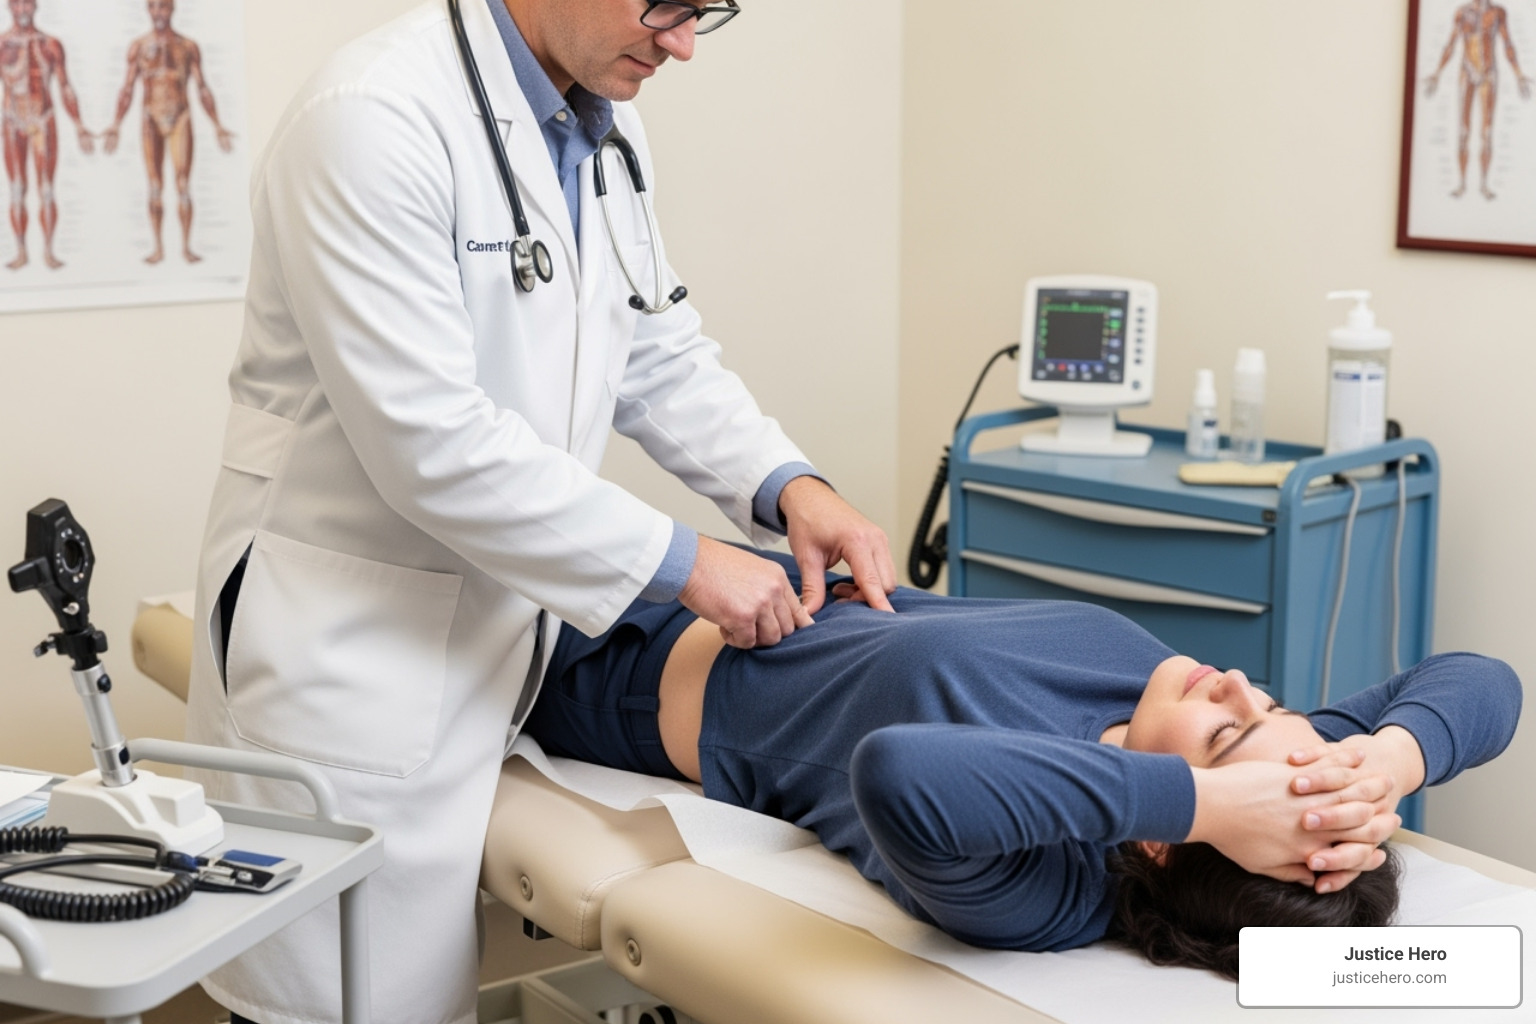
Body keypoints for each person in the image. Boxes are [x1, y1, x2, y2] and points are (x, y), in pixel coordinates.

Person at [182, 3, 895, 1024]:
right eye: (668, 6)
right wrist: (690, 564)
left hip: (497, 637)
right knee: (344, 1005)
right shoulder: (369, 118)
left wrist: (791, 485)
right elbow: (430, 443)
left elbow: (656, 350)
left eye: (707, 11)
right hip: (347, 661)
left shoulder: (601, 122)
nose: (684, 44)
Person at [525, 549, 1522, 979]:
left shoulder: (1048, 885)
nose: (1233, 684)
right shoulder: (1170, 710)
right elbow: (1489, 682)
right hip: (729, 578)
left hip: (605, 666)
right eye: (1271, 704)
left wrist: (1204, 801)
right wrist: (1387, 761)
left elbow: (900, 778)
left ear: (1165, 836)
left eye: (1227, 735)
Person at [101, 0, 235, 264]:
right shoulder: (139, 46)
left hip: (180, 117)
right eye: (153, 6)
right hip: (150, 117)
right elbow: (127, 88)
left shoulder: (187, 46)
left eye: (163, 6)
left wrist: (217, 124)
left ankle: (185, 247)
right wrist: (116, 123)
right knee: (155, 186)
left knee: (183, 185)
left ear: (172, 9)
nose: (158, 12)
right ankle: (158, 248)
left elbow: (202, 87)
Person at [1, 0, 93, 270]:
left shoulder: (50, 44)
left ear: (35, 6)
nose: (23, 10)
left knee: (47, 190)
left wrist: (79, 125)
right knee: (17, 189)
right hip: (13, 120)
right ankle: (21, 251)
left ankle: (49, 252)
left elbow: (65, 86)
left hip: (43, 119)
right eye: (18, 4)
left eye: (27, 4)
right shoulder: (2, 44)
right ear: (10, 7)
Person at [1424, 0, 1532, 200]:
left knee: (1487, 131)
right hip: (1467, 71)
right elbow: (1451, 43)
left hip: (1488, 73)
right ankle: (1462, 183)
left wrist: (1518, 74)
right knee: (1463, 131)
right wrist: (1437, 73)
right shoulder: (1462, 12)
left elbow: (1507, 43)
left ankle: (1483, 184)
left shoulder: (1497, 13)